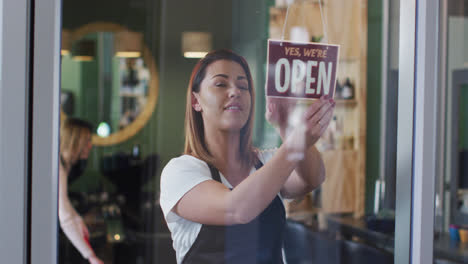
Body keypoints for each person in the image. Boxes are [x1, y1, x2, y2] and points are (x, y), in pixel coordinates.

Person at [159, 49, 335, 264]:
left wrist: (286, 123)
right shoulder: (181, 172)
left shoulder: (268, 163)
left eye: (243, 86)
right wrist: (296, 142)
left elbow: (312, 179)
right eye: (221, 84)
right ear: (196, 101)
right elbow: (236, 210)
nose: (235, 92)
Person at [59, 118, 104, 264]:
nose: (90, 146)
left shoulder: (63, 165)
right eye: (87, 141)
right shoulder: (59, 168)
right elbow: (65, 216)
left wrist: (79, 221)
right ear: (75, 141)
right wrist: (91, 257)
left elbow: (64, 203)